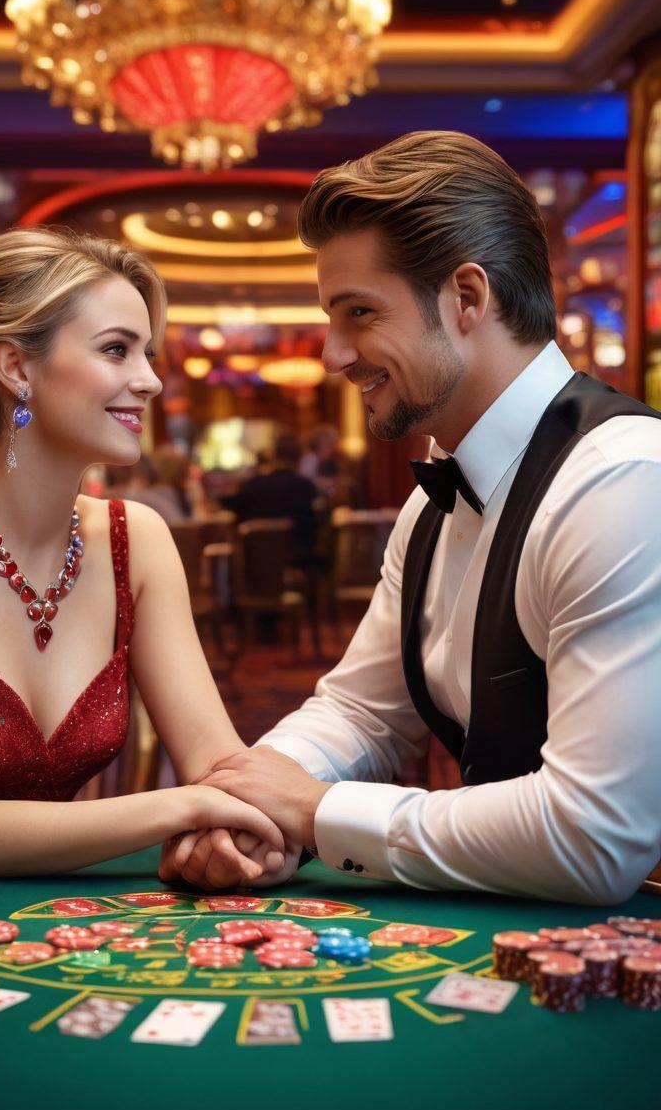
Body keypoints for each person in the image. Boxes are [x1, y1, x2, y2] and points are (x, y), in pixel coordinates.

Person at [161, 130, 661, 904]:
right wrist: (247, 804)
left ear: (467, 298)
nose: (333, 355)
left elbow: (593, 838)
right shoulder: (431, 504)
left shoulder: (624, 480)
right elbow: (362, 712)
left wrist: (316, 812)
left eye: (359, 313)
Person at [0, 227, 285, 879]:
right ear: (17, 368)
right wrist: (187, 808)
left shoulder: (137, 538)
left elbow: (220, 766)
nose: (151, 381)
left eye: (147, 353)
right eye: (117, 350)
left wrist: (243, 830)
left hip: (41, 912)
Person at [224, 433, 319, 562]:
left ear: (274, 456)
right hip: (296, 560)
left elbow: (232, 504)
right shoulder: (306, 487)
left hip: (254, 560)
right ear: (299, 457)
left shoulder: (255, 485)